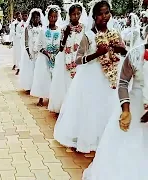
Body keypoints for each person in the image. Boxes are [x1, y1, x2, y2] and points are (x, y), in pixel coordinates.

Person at [54, 0, 127, 153]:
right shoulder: (88, 35)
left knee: (108, 105)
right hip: (91, 77)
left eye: (106, 12)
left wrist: (122, 50)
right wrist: (96, 54)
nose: (104, 16)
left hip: (111, 78)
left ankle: (106, 138)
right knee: (92, 107)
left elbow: (124, 52)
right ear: (94, 16)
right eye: (100, 14)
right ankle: (89, 140)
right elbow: (78, 59)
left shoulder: (115, 33)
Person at [82, 37, 148, 180]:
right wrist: (125, 110)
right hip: (135, 110)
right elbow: (123, 82)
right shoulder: (136, 54)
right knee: (129, 149)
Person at [48, 3, 87, 113]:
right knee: (66, 83)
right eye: (73, 14)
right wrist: (65, 35)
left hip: (79, 60)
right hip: (66, 59)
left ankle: (76, 107)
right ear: (69, 15)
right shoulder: (64, 28)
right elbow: (60, 48)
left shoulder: (83, 28)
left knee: (77, 83)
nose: (76, 16)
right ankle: (65, 108)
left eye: (78, 14)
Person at [30, 5, 62, 106]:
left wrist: (55, 53)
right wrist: (47, 54)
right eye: (51, 17)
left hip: (56, 57)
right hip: (44, 57)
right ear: (48, 17)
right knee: (44, 77)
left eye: (55, 17)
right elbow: (39, 46)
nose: (53, 19)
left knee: (54, 77)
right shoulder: (43, 31)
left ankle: (52, 98)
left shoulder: (60, 30)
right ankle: (41, 97)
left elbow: (61, 44)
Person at [20, 9, 44, 95]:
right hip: (30, 52)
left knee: (37, 70)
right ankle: (29, 87)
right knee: (30, 69)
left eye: (37, 17)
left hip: (39, 52)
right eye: (34, 18)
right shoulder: (28, 28)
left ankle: (37, 87)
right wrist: (28, 52)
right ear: (31, 18)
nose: (36, 19)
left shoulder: (42, 28)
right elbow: (26, 42)